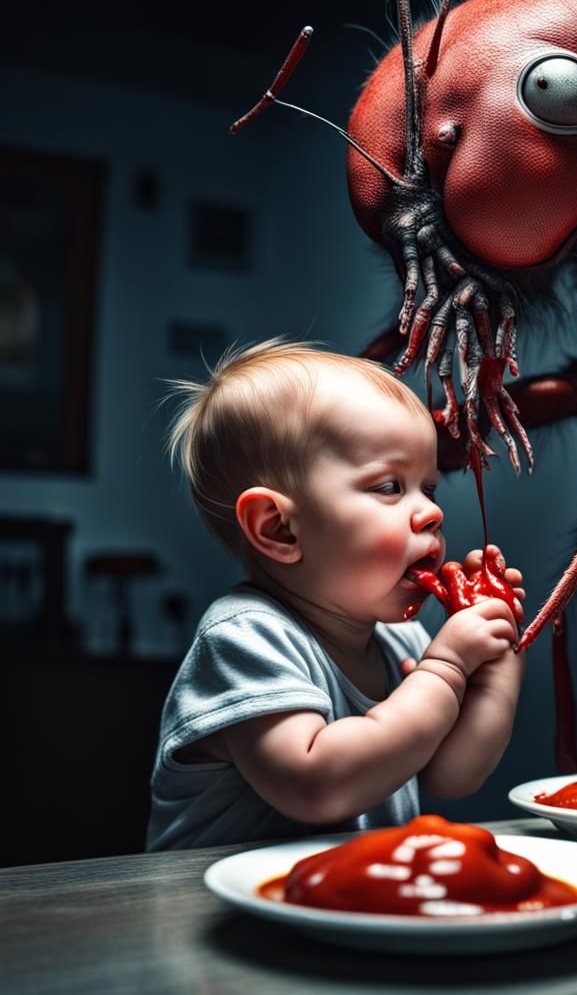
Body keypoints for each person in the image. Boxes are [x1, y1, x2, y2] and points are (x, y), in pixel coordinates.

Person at [146, 340, 525, 851]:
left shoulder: (401, 639)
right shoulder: (245, 638)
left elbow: (452, 776)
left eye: (428, 488)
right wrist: (447, 670)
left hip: (335, 911)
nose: (432, 513)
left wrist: (497, 659)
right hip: (215, 921)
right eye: (390, 487)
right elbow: (317, 785)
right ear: (280, 529)